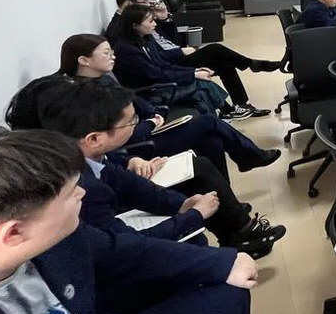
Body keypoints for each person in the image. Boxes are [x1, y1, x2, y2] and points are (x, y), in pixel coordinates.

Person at [0, 129, 255, 314]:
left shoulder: (57, 238)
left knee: (228, 298)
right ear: (13, 233)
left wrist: (224, 262)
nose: (82, 194)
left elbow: (123, 250)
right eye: (70, 194)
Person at [34, 80, 286, 257]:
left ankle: (239, 234)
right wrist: (193, 216)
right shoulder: (80, 189)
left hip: (119, 216)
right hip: (114, 258)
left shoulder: (91, 154)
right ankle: (237, 236)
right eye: (131, 122)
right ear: (94, 139)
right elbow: (125, 244)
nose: (135, 124)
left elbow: (130, 184)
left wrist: (182, 204)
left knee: (203, 156)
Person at [58, 33, 280, 176]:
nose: (113, 57)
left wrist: (157, 113)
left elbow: (137, 102)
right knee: (209, 123)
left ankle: (225, 198)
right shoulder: (84, 95)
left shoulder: (103, 79)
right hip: (138, 144)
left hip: (149, 124)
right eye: (107, 53)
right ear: (83, 60)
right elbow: (116, 137)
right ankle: (249, 156)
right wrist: (151, 123)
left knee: (212, 141)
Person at [109, 0, 279, 118]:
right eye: (145, 2)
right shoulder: (123, 31)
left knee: (224, 62)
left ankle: (240, 104)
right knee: (215, 49)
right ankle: (250, 66)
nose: (149, 4)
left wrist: (165, 18)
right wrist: (182, 55)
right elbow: (156, 62)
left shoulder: (138, 20)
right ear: (129, 4)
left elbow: (168, 41)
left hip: (170, 59)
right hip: (168, 66)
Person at [109, 5, 233, 117]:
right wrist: (193, 75)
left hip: (158, 85)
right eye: (150, 21)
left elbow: (163, 64)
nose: (155, 24)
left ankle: (218, 117)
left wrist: (194, 71)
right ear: (135, 25)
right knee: (202, 84)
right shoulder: (127, 50)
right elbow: (155, 75)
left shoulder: (145, 39)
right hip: (149, 93)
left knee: (201, 91)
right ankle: (224, 113)